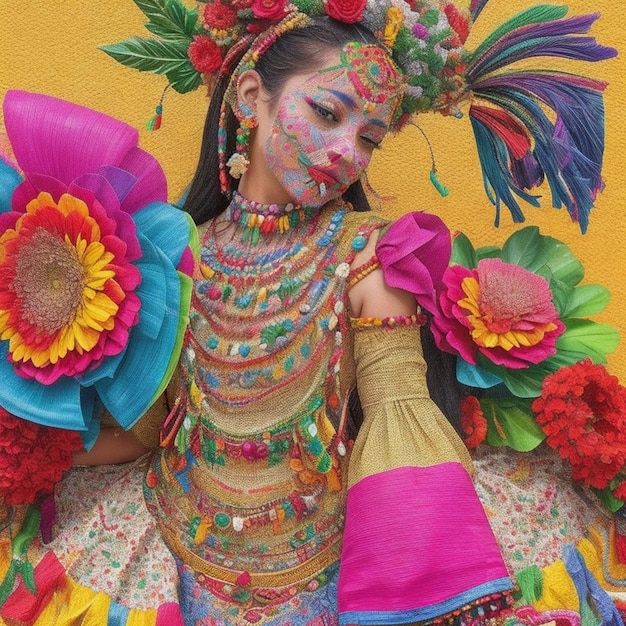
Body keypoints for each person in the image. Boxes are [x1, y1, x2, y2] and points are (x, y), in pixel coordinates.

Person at [0, 0, 623, 625]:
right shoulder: (173, 251)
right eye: (327, 113)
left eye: (369, 137)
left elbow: (398, 421)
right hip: (170, 551)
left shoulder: (369, 258)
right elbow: (150, 430)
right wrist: (37, 450)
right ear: (249, 96)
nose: (344, 151)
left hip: (322, 573)